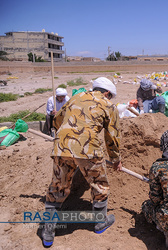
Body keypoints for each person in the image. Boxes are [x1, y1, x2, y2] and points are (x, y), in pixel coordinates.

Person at [41, 77, 122, 247]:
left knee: (58, 186)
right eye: (110, 96)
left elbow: (57, 121)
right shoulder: (108, 106)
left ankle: (48, 232)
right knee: (99, 185)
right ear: (107, 93)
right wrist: (115, 159)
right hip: (88, 147)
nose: (110, 99)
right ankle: (100, 223)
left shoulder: (75, 98)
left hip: (61, 146)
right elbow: (112, 136)